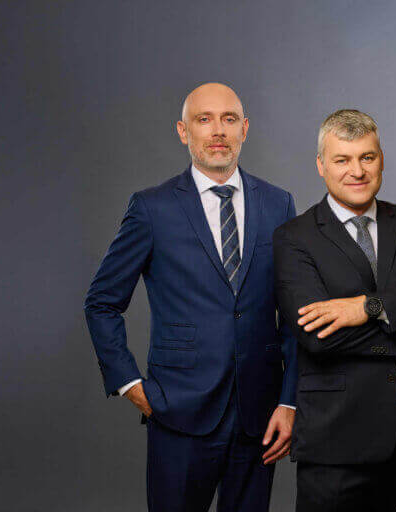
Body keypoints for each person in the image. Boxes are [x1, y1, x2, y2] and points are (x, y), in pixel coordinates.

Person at [84, 83, 298, 512]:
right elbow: (102, 302)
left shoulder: (278, 203)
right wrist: (129, 384)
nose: (218, 131)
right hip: (177, 409)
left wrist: (289, 399)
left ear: (245, 129)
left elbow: (292, 315)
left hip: (259, 415)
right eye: (204, 119)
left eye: (229, 119)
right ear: (184, 131)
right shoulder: (151, 208)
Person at [273, 109, 396, 512]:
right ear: (321, 165)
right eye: (342, 159)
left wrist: (371, 307)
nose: (357, 171)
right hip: (335, 442)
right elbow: (318, 335)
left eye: (367, 157)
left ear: (381, 159)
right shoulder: (295, 238)